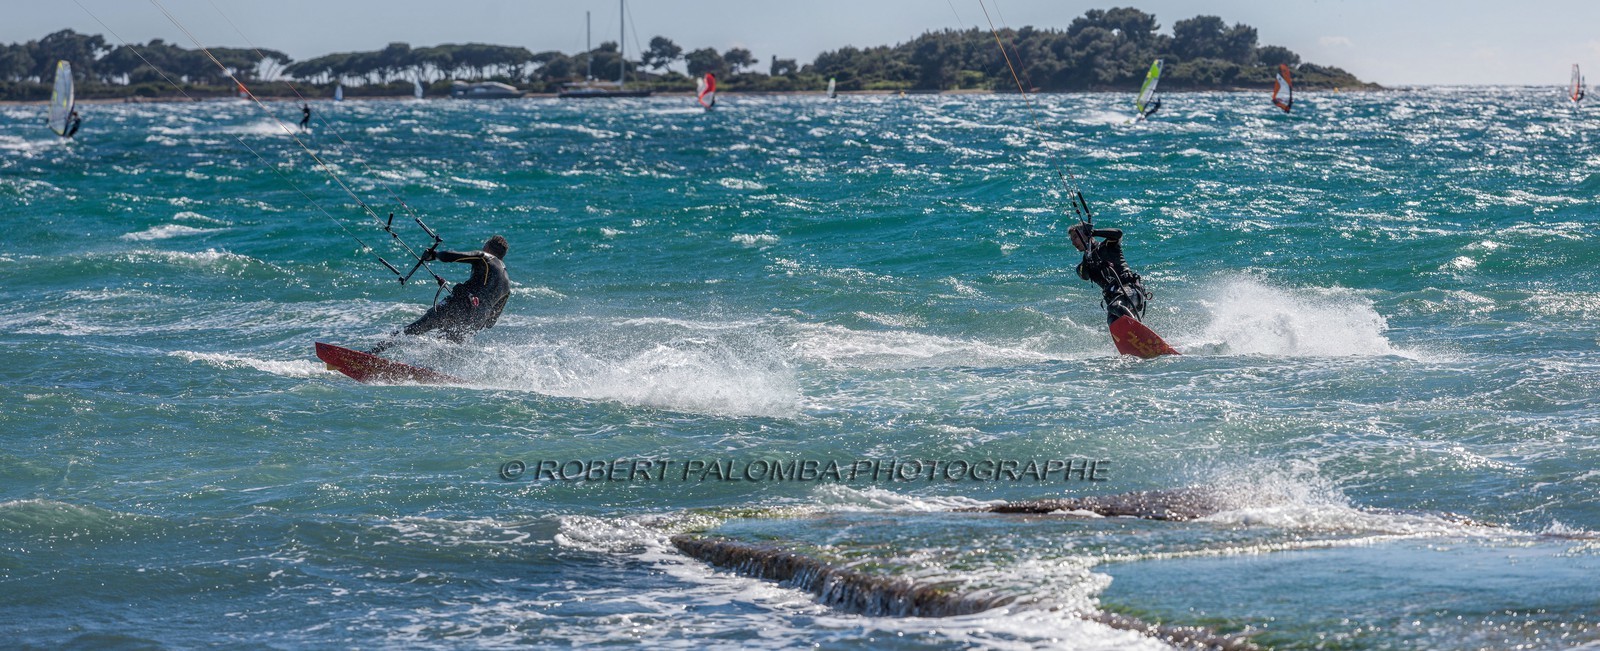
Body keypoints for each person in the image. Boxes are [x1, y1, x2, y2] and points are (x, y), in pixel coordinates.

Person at [371, 235, 510, 354]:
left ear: (487, 247)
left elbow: (453, 256)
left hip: (461, 305)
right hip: (477, 319)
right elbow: (491, 322)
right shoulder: (507, 285)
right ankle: (429, 372)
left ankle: (373, 353)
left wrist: (434, 255)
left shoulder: (486, 258)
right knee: (445, 346)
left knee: (415, 328)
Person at [1069, 222, 1151, 326]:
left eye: (1075, 237)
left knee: (1114, 307)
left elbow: (1118, 233)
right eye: (1071, 239)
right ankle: (1133, 339)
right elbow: (1084, 276)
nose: (1073, 242)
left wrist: (1094, 232)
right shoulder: (1084, 265)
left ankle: (1139, 333)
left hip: (1131, 290)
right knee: (1113, 322)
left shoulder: (1108, 246)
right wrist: (1087, 256)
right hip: (1116, 299)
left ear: (1085, 234)